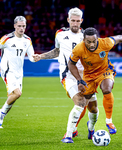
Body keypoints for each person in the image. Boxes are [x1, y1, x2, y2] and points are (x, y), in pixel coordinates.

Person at [33, 7, 99, 143]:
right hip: (67, 75)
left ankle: (91, 129)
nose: (75, 23)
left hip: (85, 76)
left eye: (77, 21)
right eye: (72, 20)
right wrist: (41, 56)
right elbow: (57, 51)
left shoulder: (86, 37)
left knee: (93, 108)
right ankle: (68, 135)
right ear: (68, 20)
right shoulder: (60, 34)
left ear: (81, 21)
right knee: (80, 102)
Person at [67, 27, 122, 143]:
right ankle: (76, 127)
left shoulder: (105, 43)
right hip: (88, 76)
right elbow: (71, 64)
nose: (92, 44)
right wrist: (79, 80)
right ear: (84, 40)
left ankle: (109, 121)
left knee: (106, 88)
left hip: (105, 71)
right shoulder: (79, 48)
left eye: (94, 41)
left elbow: (119, 38)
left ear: (97, 38)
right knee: (85, 104)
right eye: (88, 42)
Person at [0, 16, 36, 128]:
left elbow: (31, 57)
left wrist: (37, 57)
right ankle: (1, 113)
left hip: (19, 72)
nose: (21, 28)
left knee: (14, 97)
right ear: (14, 26)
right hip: (7, 70)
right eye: (19, 26)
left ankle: (1, 116)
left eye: (23, 26)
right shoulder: (6, 39)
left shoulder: (27, 40)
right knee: (17, 93)